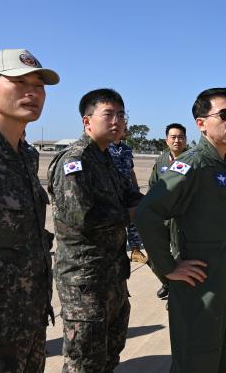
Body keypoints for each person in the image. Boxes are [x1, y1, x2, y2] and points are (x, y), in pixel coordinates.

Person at [135, 88, 226, 373]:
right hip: (199, 291)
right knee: (196, 361)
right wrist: (167, 267)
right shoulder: (191, 165)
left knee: (221, 357)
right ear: (201, 123)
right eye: (224, 114)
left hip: (225, 286)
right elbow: (148, 212)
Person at [48, 88, 144, 372]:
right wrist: (133, 213)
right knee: (84, 360)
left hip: (112, 275)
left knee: (110, 351)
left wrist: (154, 203)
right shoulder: (74, 161)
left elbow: (130, 194)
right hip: (85, 281)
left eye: (121, 115)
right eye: (108, 114)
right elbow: (82, 216)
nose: (117, 120)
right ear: (86, 121)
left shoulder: (106, 159)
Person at [0, 49, 58, 372]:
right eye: (18, 81)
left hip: (28, 330)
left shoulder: (25, 157)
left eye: (39, 84)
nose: (33, 92)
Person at [149, 123, 188, 300]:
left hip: (183, 218)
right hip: (162, 216)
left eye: (180, 137)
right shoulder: (161, 160)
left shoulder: (192, 159)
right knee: (155, 254)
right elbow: (152, 185)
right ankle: (166, 282)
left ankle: (177, 292)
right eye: (173, 137)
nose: (177, 140)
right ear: (167, 140)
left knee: (180, 255)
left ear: (185, 140)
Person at [109, 125, 147, 264]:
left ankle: (136, 250)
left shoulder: (126, 149)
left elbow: (131, 171)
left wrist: (136, 188)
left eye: (124, 128)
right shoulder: (105, 147)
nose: (123, 131)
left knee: (136, 217)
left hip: (128, 190)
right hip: (112, 191)